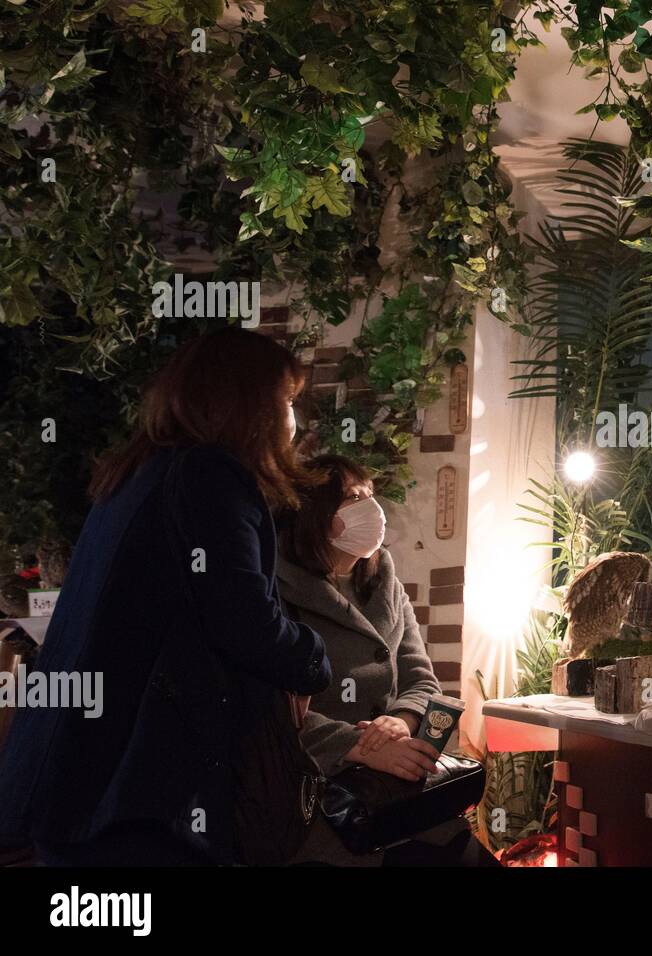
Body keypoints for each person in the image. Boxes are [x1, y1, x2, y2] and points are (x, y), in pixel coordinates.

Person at [0, 327, 331, 865]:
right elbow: (244, 622)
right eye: (289, 400)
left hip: (83, 775)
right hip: (138, 790)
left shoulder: (141, 469)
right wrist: (313, 659)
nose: (294, 420)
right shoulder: (210, 475)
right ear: (251, 403)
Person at [276, 455, 498, 867]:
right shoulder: (276, 588)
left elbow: (422, 681)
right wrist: (358, 746)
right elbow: (272, 706)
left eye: (370, 494)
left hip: (396, 790)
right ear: (314, 514)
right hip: (319, 797)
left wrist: (402, 721)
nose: (370, 508)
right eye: (351, 497)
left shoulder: (383, 583)